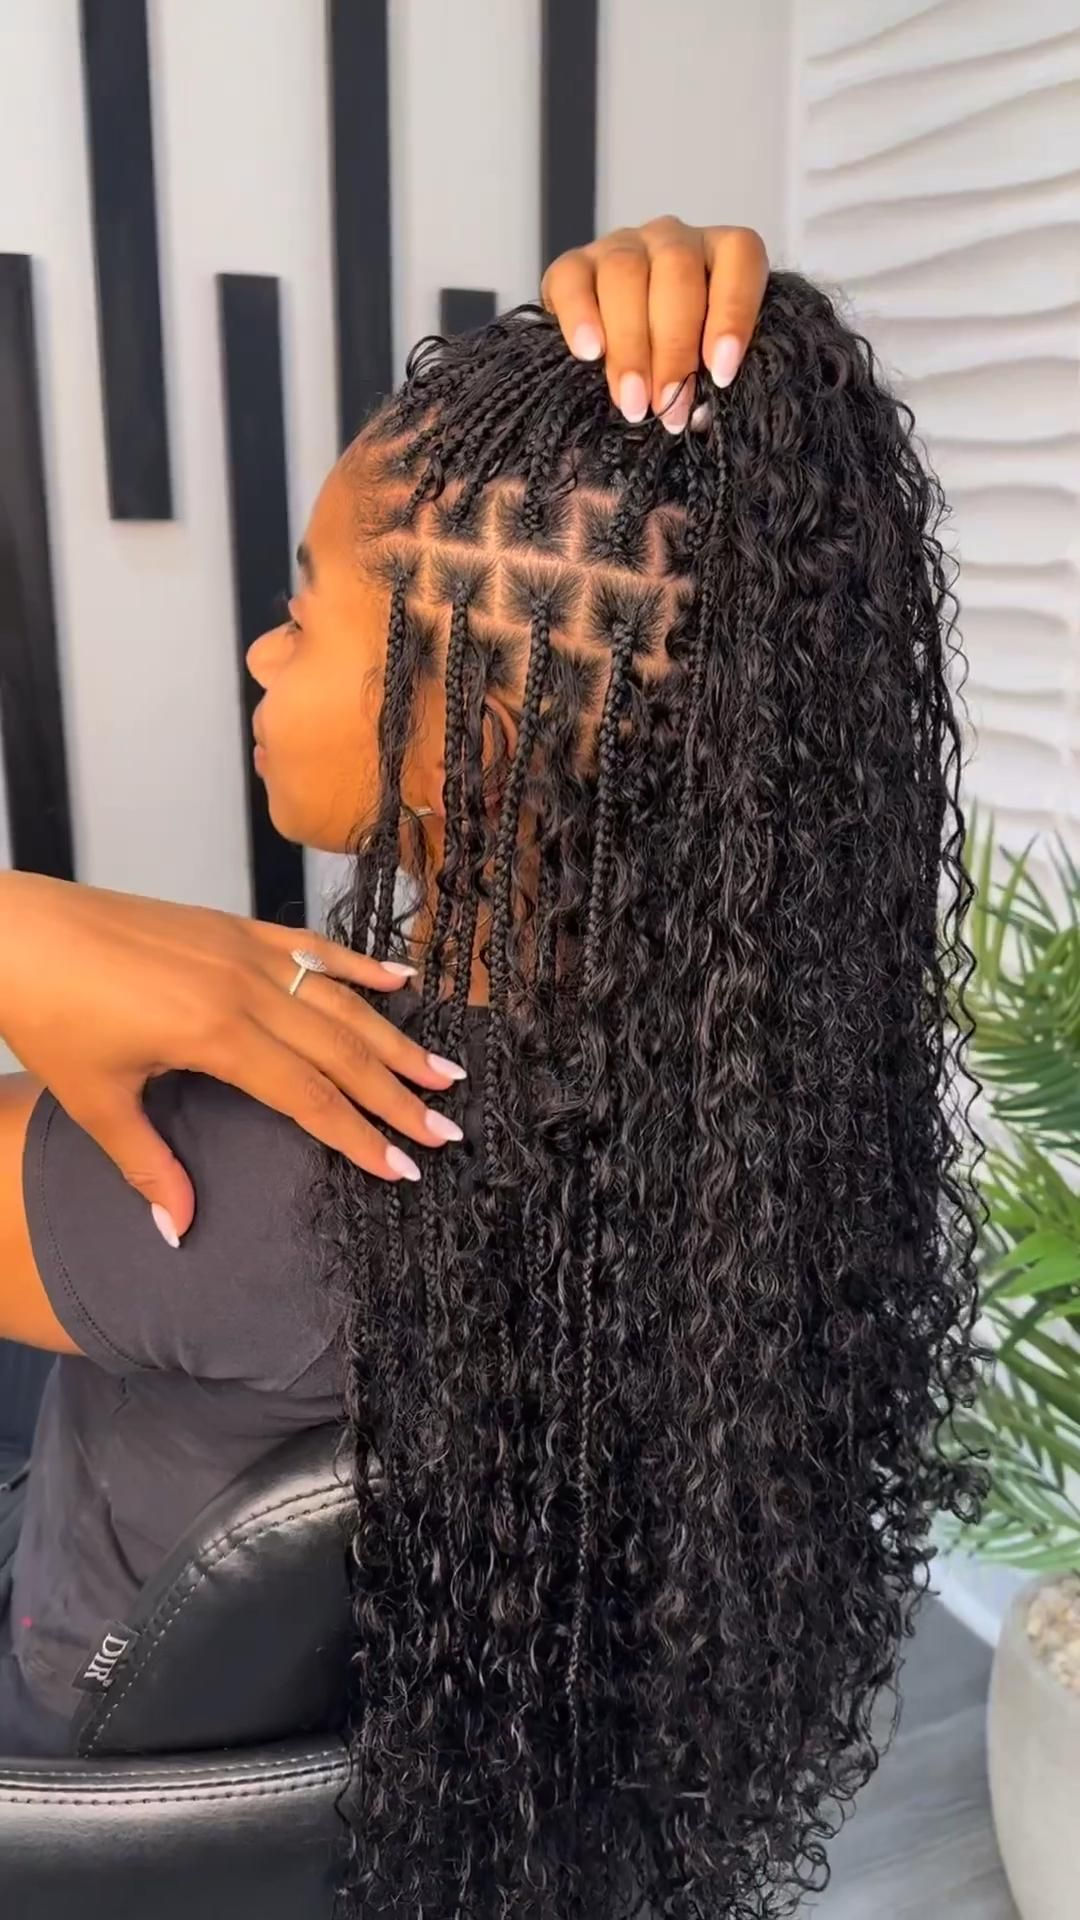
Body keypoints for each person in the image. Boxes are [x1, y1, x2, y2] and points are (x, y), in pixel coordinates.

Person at [0, 214, 987, 1920]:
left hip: (70, 1706)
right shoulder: (760, 1103)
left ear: (481, 724)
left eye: (304, 607)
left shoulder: (258, 1163)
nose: (265, 651)